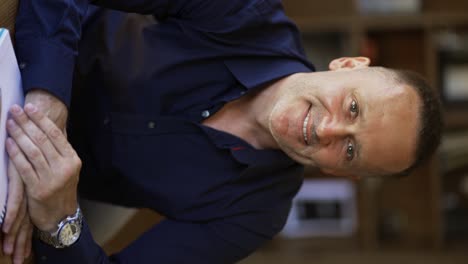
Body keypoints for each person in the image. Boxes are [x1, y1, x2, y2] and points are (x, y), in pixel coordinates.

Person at [1, 0, 442, 263]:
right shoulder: (244, 12)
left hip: (24, 193)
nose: (328, 129)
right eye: (352, 107)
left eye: (350, 151)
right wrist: (47, 98)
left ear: (347, 176)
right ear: (348, 65)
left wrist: (61, 221)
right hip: (26, 49)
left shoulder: (254, 214)